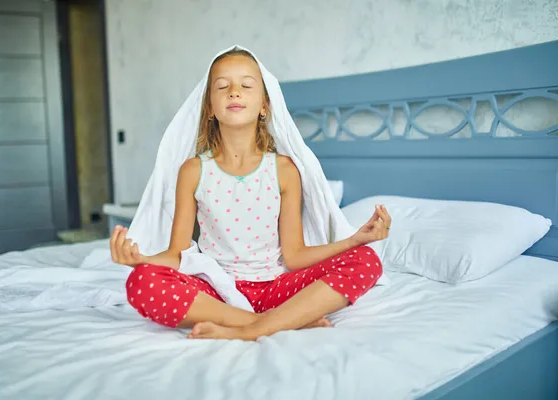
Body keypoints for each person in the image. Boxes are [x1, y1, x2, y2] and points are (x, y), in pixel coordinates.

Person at [109, 48, 391, 341]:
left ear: (264, 105)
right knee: (142, 281)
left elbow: (295, 256)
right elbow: (179, 254)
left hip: (277, 289)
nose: (234, 92)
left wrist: (355, 240)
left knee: (366, 260)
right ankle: (273, 322)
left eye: (246, 85)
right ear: (209, 108)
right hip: (216, 293)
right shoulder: (193, 171)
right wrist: (140, 259)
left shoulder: (284, 169)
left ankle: (251, 329)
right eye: (222, 86)